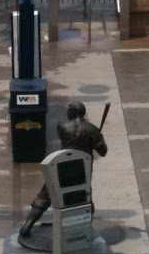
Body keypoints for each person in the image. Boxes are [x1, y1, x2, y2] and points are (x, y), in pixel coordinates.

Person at [19, 102, 107, 241]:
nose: (67, 112)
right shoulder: (93, 130)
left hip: (62, 167)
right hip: (81, 171)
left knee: (44, 197)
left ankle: (27, 225)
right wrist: (98, 138)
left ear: (73, 112)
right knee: (85, 200)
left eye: (69, 110)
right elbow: (103, 152)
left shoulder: (62, 126)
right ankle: (85, 230)